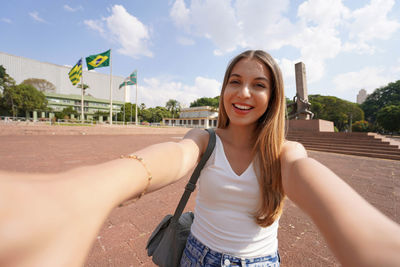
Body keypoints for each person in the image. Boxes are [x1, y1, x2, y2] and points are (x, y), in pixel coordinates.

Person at [0, 50, 399, 267]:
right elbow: (174, 156)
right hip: (197, 255)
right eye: (235, 81)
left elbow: (314, 184)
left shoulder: (284, 153)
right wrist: (84, 192)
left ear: (274, 98)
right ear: (223, 89)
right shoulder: (204, 140)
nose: (243, 93)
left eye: (258, 85)